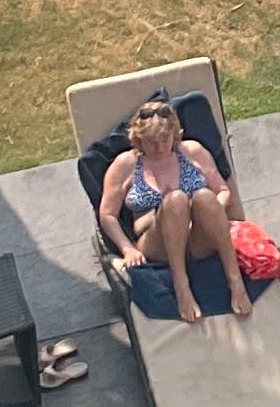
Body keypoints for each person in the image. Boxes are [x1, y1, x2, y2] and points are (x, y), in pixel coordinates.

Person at [98, 91, 237, 324]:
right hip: (156, 242)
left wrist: (206, 212)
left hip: (198, 238)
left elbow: (223, 192)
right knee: (175, 201)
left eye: (165, 139)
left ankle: (235, 280)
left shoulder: (192, 151)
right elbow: (107, 214)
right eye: (152, 142)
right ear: (138, 139)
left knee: (203, 196)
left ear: (175, 133)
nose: (161, 148)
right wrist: (127, 249)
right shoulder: (126, 164)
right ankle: (181, 285)